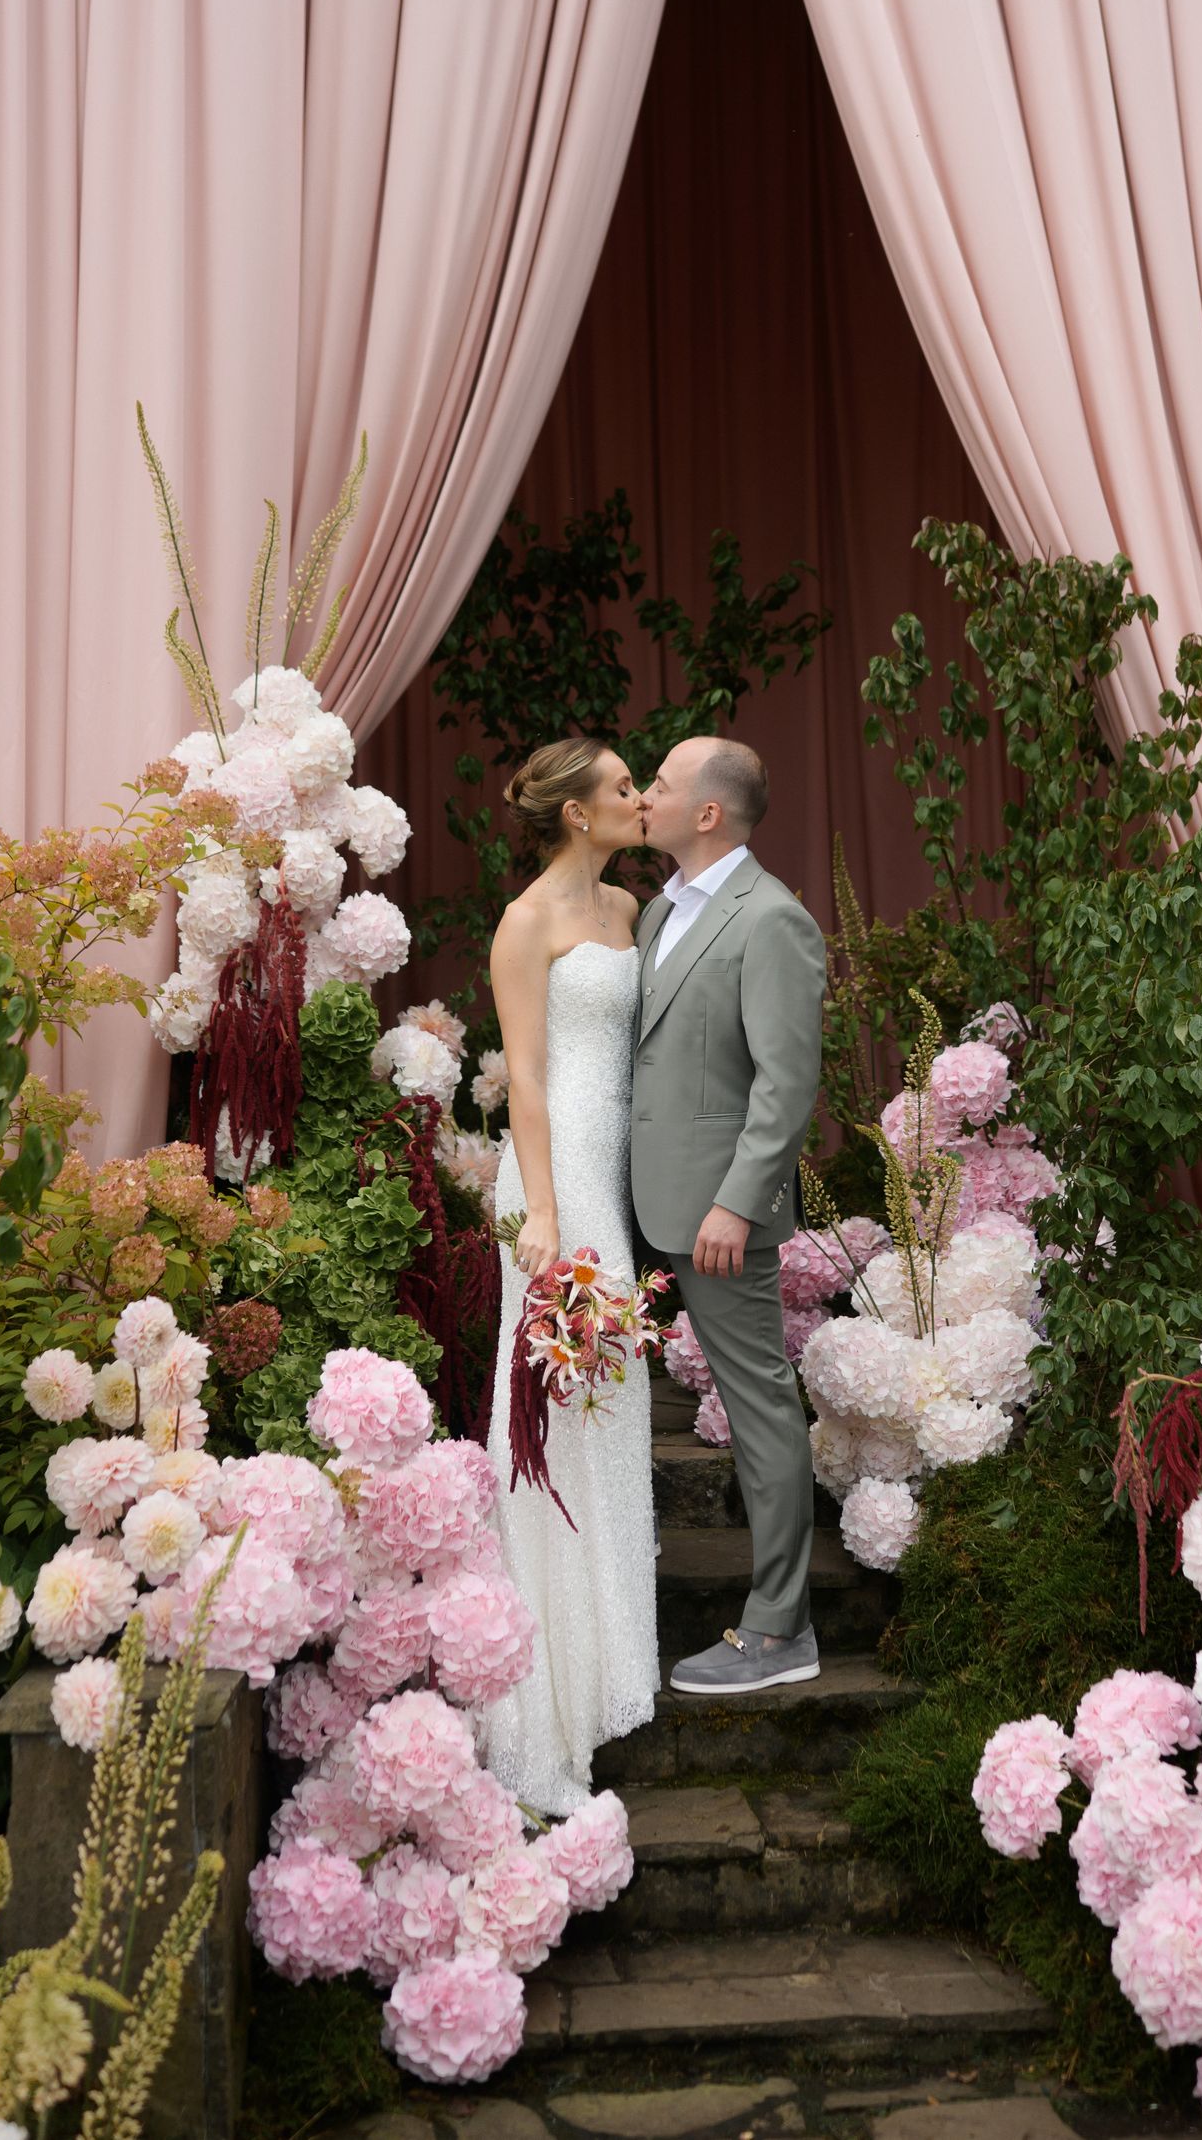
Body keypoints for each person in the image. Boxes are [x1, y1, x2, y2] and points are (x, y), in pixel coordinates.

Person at [481, 737, 659, 1815]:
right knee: (552, 1404)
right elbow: (527, 1076)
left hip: (612, 1174)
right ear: (577, 814)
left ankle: (607, 1669)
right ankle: (540, 1703)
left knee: (614, 1397)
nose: (641, 798)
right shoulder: (527, 920)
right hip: (553, 1186)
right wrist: (544, 1209)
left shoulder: (628, 914)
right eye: (624, 788)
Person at [634, 736, 826, 1695]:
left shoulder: (771, 921)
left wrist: (735, 1204)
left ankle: (780, 1625)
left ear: (708, 812)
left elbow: (784, 1087)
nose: (644, 796)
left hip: (717, 1217)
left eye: (660, 786)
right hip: (639, 1197)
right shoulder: (658, 913)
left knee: (758, 1408)